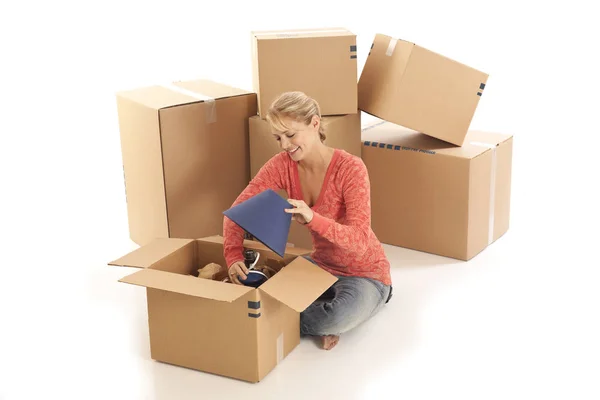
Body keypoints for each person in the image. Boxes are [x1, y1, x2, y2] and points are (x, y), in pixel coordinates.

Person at [223, 91, 392, 350]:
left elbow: (359, 240)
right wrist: (233, 255)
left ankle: (316, 320)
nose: (284, 145)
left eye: (290, 135)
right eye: (277, 137)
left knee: (336, 315)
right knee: (267, 290)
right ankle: (311, 321)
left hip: (365, 274)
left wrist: (313, 218)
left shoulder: (351, 168)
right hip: (321, 265)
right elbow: (238, 210)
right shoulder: (281, 165)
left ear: (314, 124)